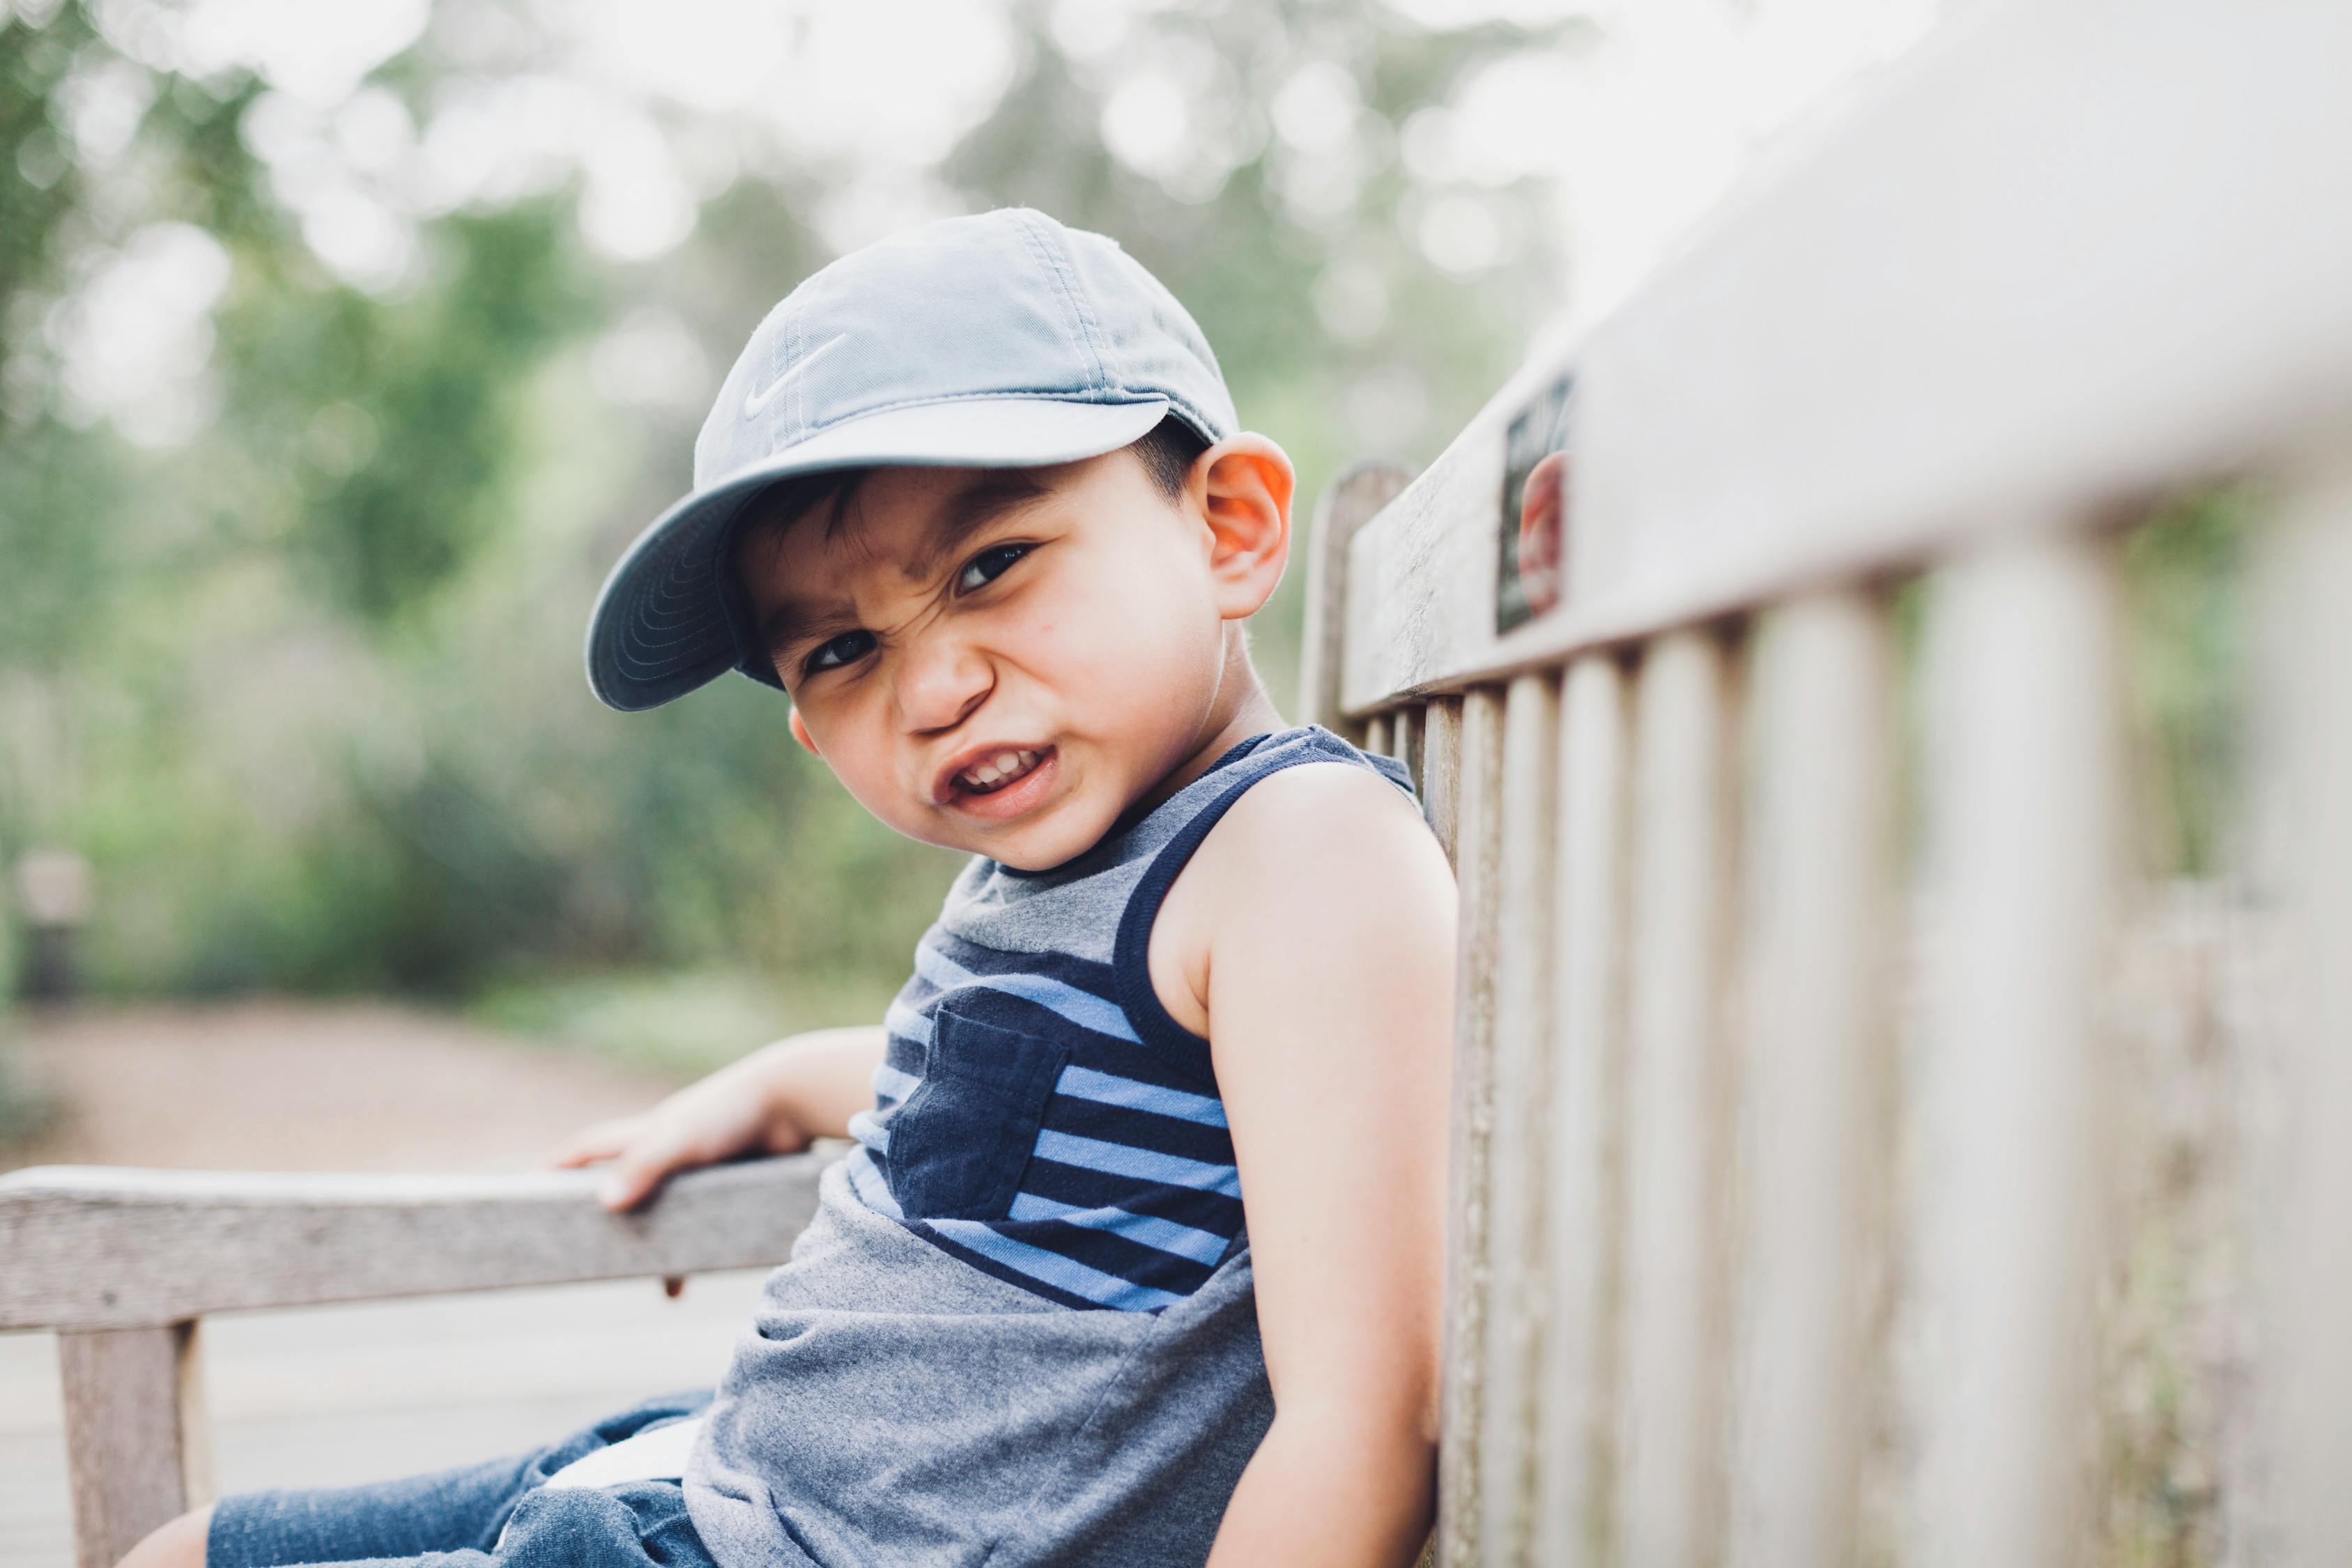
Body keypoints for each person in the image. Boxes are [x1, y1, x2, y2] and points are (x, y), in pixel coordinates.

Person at [121, 207, 1456, 1568]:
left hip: (809, 1544)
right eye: (839, 650)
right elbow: (1008, 1098)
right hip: (711, 1468)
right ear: (807, 731)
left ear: (1227, 527)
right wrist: (772, 1085)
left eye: (989, 566)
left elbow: (1361, 1423)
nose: (933, 689)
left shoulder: (1297, 854)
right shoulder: (1078, 861)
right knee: (170, 1553)